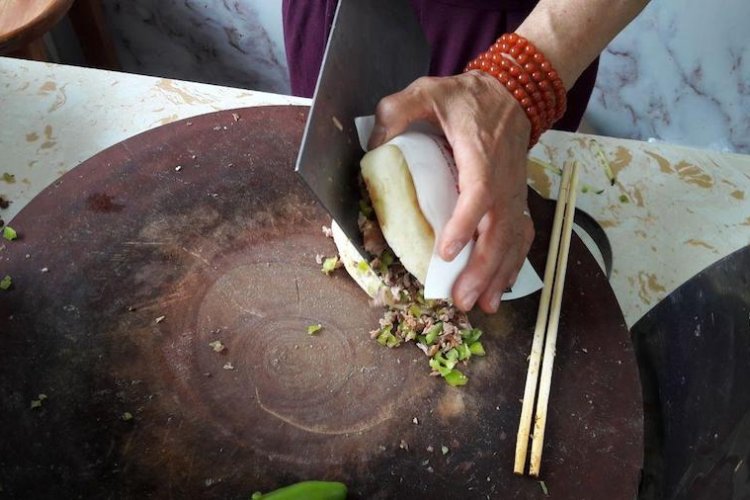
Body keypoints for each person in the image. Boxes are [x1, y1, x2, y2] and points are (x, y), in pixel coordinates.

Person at [283, 0, 648, 313]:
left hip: (517, 30)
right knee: (339, 186)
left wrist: (516, 81)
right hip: (337, 17)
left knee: (479, 224)